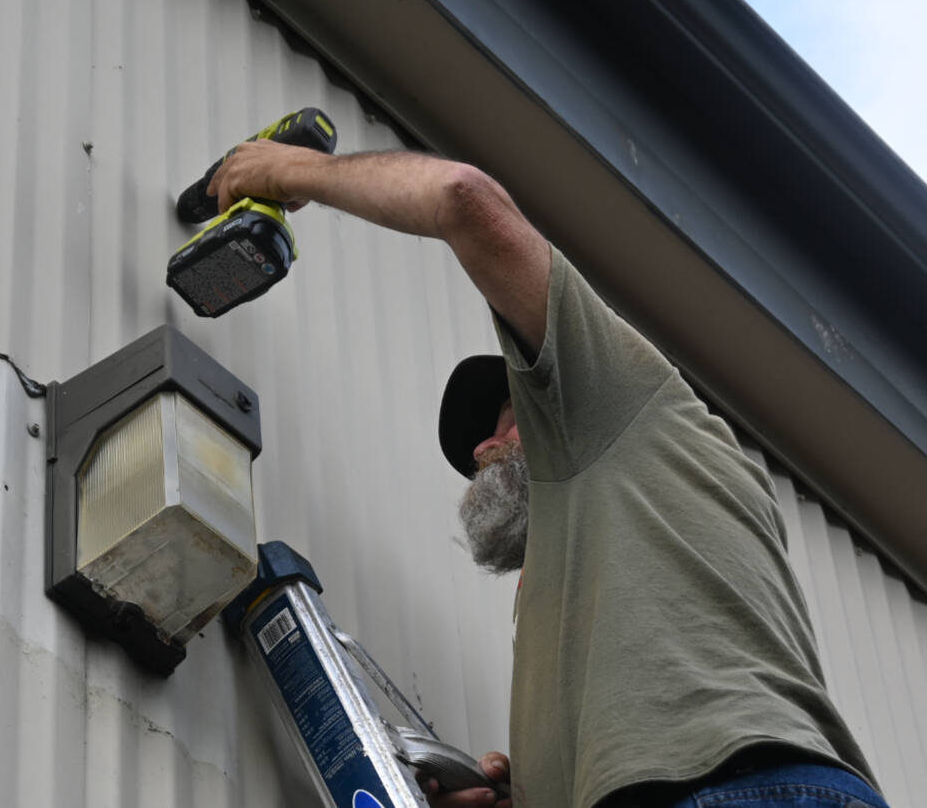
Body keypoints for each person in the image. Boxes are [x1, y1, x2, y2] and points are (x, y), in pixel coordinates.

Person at [208, 141, 890, 808]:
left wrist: (293, 169)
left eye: (509, 418)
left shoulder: (618, 405)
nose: (482, 449)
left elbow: (463, 199)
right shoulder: (604, 564)